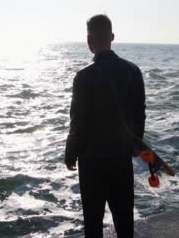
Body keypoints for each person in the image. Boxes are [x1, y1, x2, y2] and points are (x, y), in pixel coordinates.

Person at [65, 14, 146, 238]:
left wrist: (70, 153)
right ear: (112, 36)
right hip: (121, 158)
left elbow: (78, 122)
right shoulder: (133, 71)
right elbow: (139, 115)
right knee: (124, 220)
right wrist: (135, 145)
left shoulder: (83, 76)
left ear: (89, 40)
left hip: (92, 163)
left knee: (93, 222)